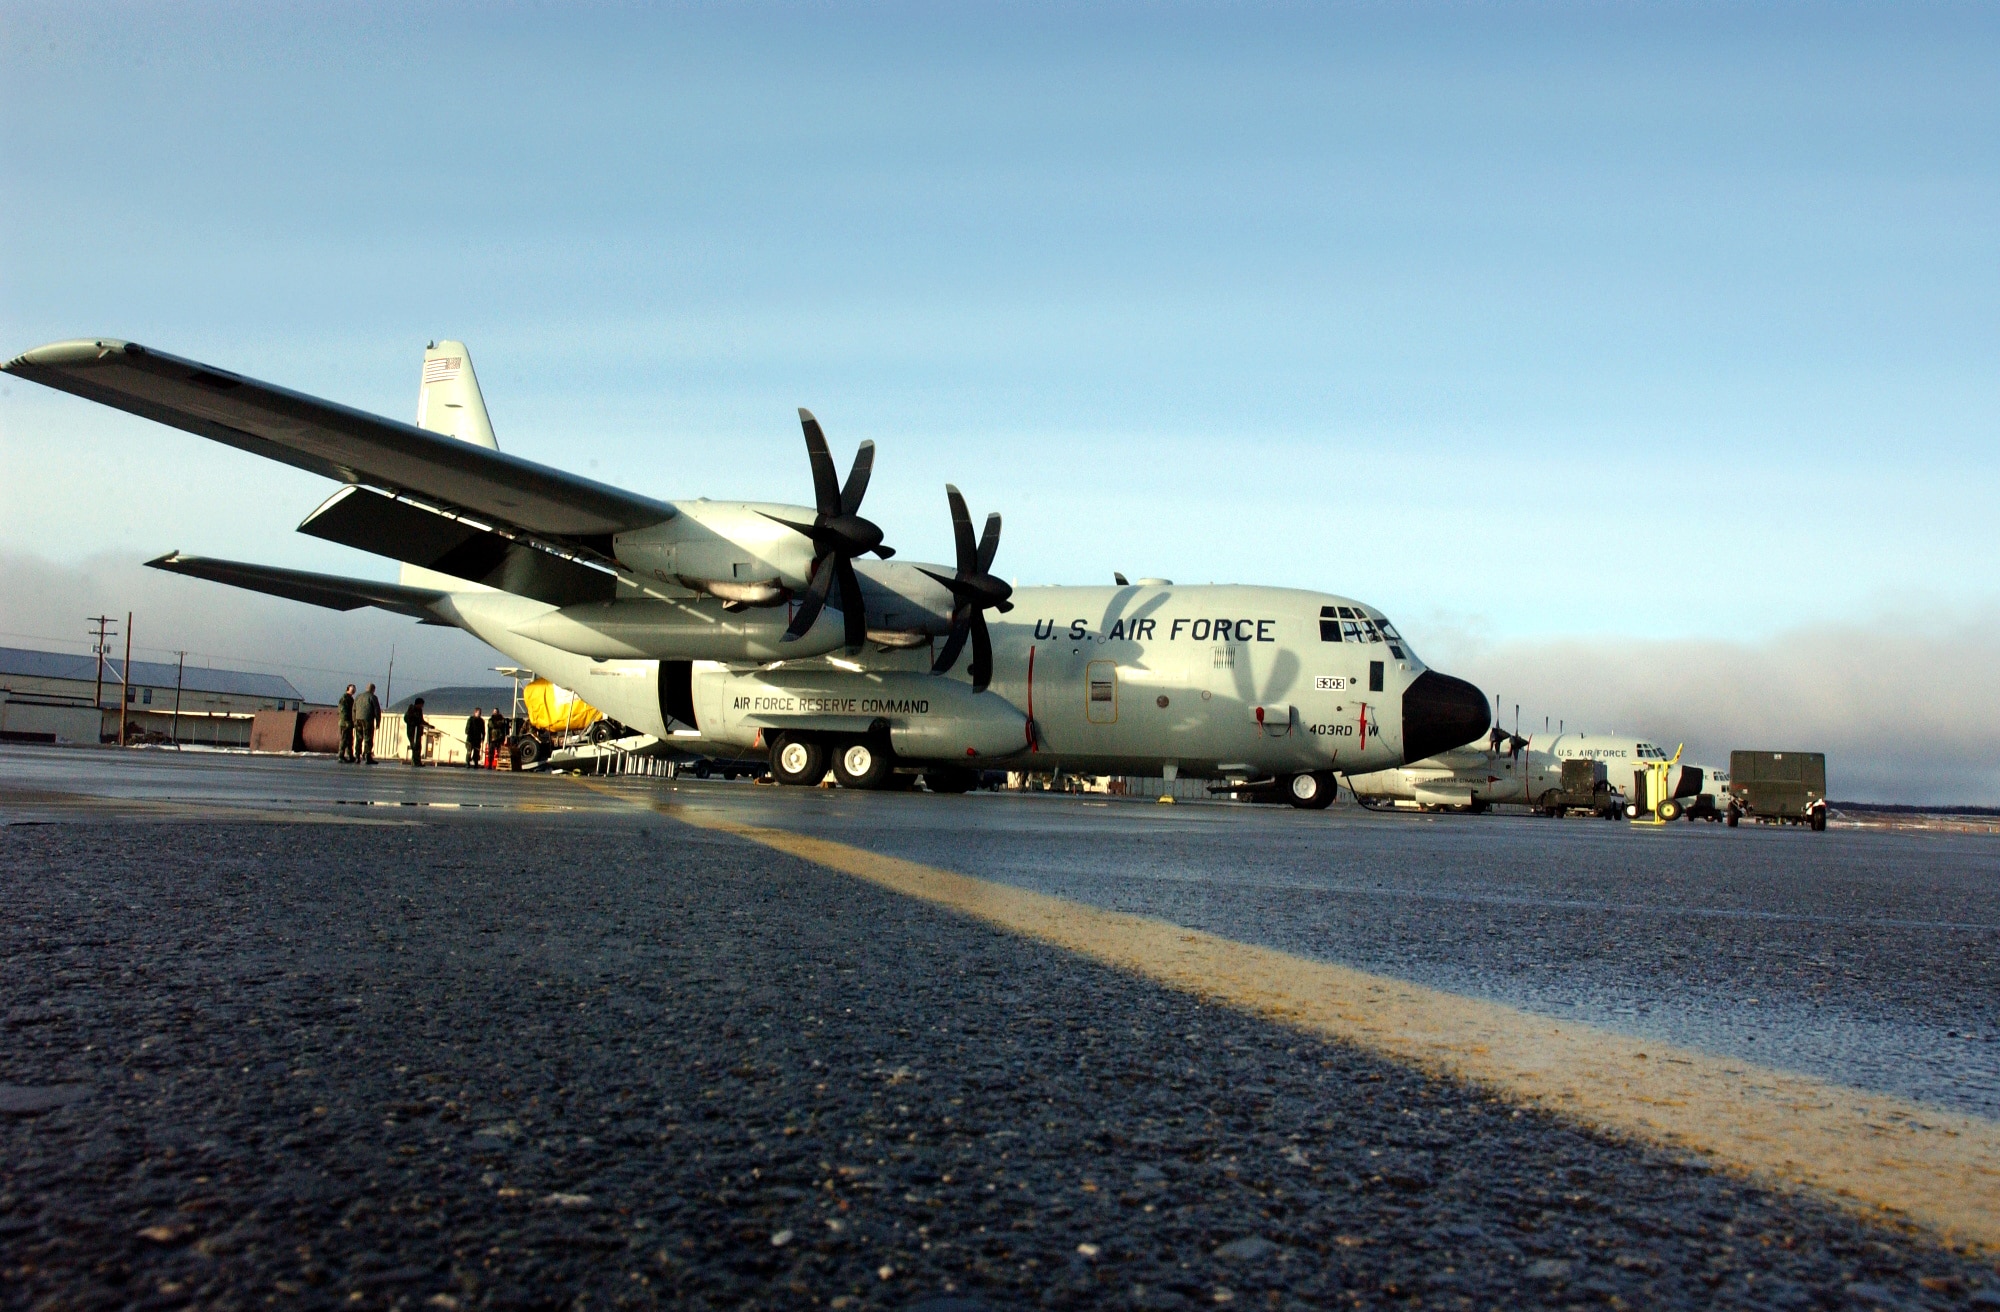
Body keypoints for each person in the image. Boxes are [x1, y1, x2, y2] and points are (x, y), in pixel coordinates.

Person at [355, 683, 380, 764]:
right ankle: (367, 757)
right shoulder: (372, 697)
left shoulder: (358, 696)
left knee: (359, 739)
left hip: (358, 719)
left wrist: (354, 719)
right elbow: (377, 710)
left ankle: (357, 756)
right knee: (368, 739)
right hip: (367, 720)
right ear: (373, 689)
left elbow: (354, 708)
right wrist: (378, 722)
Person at [405, 697, 428, 767]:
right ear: (418, 704)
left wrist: (428, 725)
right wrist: (414, 724)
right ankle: (415, 762)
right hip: (412, 731)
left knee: (418, 747)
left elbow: (421, 720)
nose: (422, 706)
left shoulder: (419, 710)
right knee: (415, 747)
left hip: (418, 732)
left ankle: (417, 761)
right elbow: (406, 719)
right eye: (421, 705)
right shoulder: (411, 709)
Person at [337, 684, 356, 762]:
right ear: (348, 689)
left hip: (349, 722)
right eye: (352, 689)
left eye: (354, 689)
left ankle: (350, 756)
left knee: (349, 740)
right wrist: (346, 721)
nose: (353, 691)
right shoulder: (344, 698)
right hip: (345, 723)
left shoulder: (351, 699)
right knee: (344, 739)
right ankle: (341, 756)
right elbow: (343, 711)